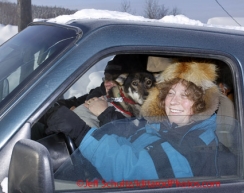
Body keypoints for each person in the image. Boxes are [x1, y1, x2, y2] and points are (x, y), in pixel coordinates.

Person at [45, 59, 221, 181]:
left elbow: (136, 171)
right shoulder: (166, 126)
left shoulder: (199, 144)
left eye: (186, 96)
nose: (174, 101)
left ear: (201, 102)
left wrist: (81, 133)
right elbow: (132, 134)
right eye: (171, 93)